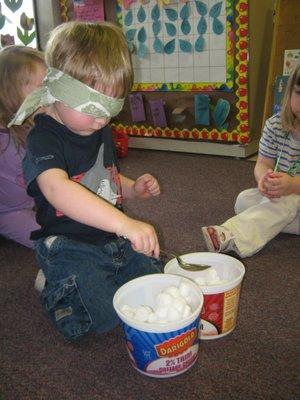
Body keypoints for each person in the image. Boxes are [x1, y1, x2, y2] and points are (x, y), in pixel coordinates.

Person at [9, 21, 163, 341]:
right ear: (58, 89)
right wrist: (125, 224)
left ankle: (90, 277)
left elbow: (102, 177)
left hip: (109, 238)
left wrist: (131, 188)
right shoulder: (43, 139)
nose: (103, 119)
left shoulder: (96, 126)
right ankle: (53, 282)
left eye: (113, 106)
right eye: (94, 106)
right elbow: (59, 189)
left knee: (154, 280)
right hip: (69, 244)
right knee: (102, 317)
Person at [201, 62, 300, 258]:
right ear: (289, 92)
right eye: (299, 93)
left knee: (287, 203)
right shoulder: (275, 125)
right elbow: (263, 163)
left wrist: (292, 186)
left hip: (290, 195)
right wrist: (263, 179)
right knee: (244, 201)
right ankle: (269, 220)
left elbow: (290, 190)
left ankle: (231, 234)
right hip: (280, 198)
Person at [0, 45, 46, 247]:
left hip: (34, 198)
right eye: (41, 86)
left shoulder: (35, 122)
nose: (49, 93)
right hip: (8, 211)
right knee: (51, 240)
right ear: (10, 91)